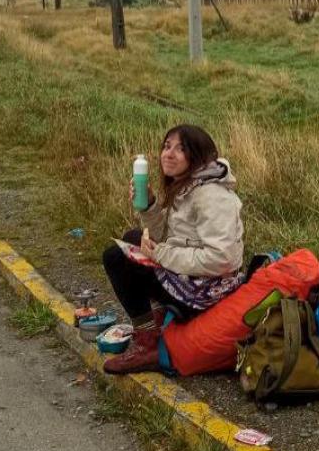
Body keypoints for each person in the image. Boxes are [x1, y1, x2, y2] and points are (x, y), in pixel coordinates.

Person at [101, 124, 244, 374]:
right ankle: (158, 320)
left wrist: (159, 254)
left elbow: (223, 258)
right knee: (132, 238)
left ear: (198, 156)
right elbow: (168, 236)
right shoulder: (189, 185)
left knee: (115, 257)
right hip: (194, 278)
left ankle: (148, 344)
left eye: (181, 149)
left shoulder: (212, 195)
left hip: (208, 290)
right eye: (167, 146)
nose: (169, 154)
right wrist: (150, 206)